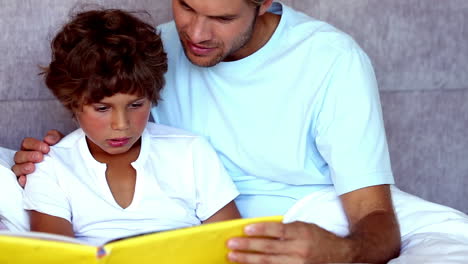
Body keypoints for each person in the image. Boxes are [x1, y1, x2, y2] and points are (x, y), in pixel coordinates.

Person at [13, 0, 401, 262]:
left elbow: (377, 220)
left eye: (222, 18)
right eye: (186, 5)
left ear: (264, 2)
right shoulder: (147, 50)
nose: (196, 34)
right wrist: (43, 156)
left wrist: (338, 252)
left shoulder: (333, 61)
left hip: (298, 225)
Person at [21, 8, 240, 246]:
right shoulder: (51, 167)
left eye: (136, 105)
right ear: (72, 103)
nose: (122, 125)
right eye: (102, 109)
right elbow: (55, 255)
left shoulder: (191, 152)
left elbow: (230, 243)